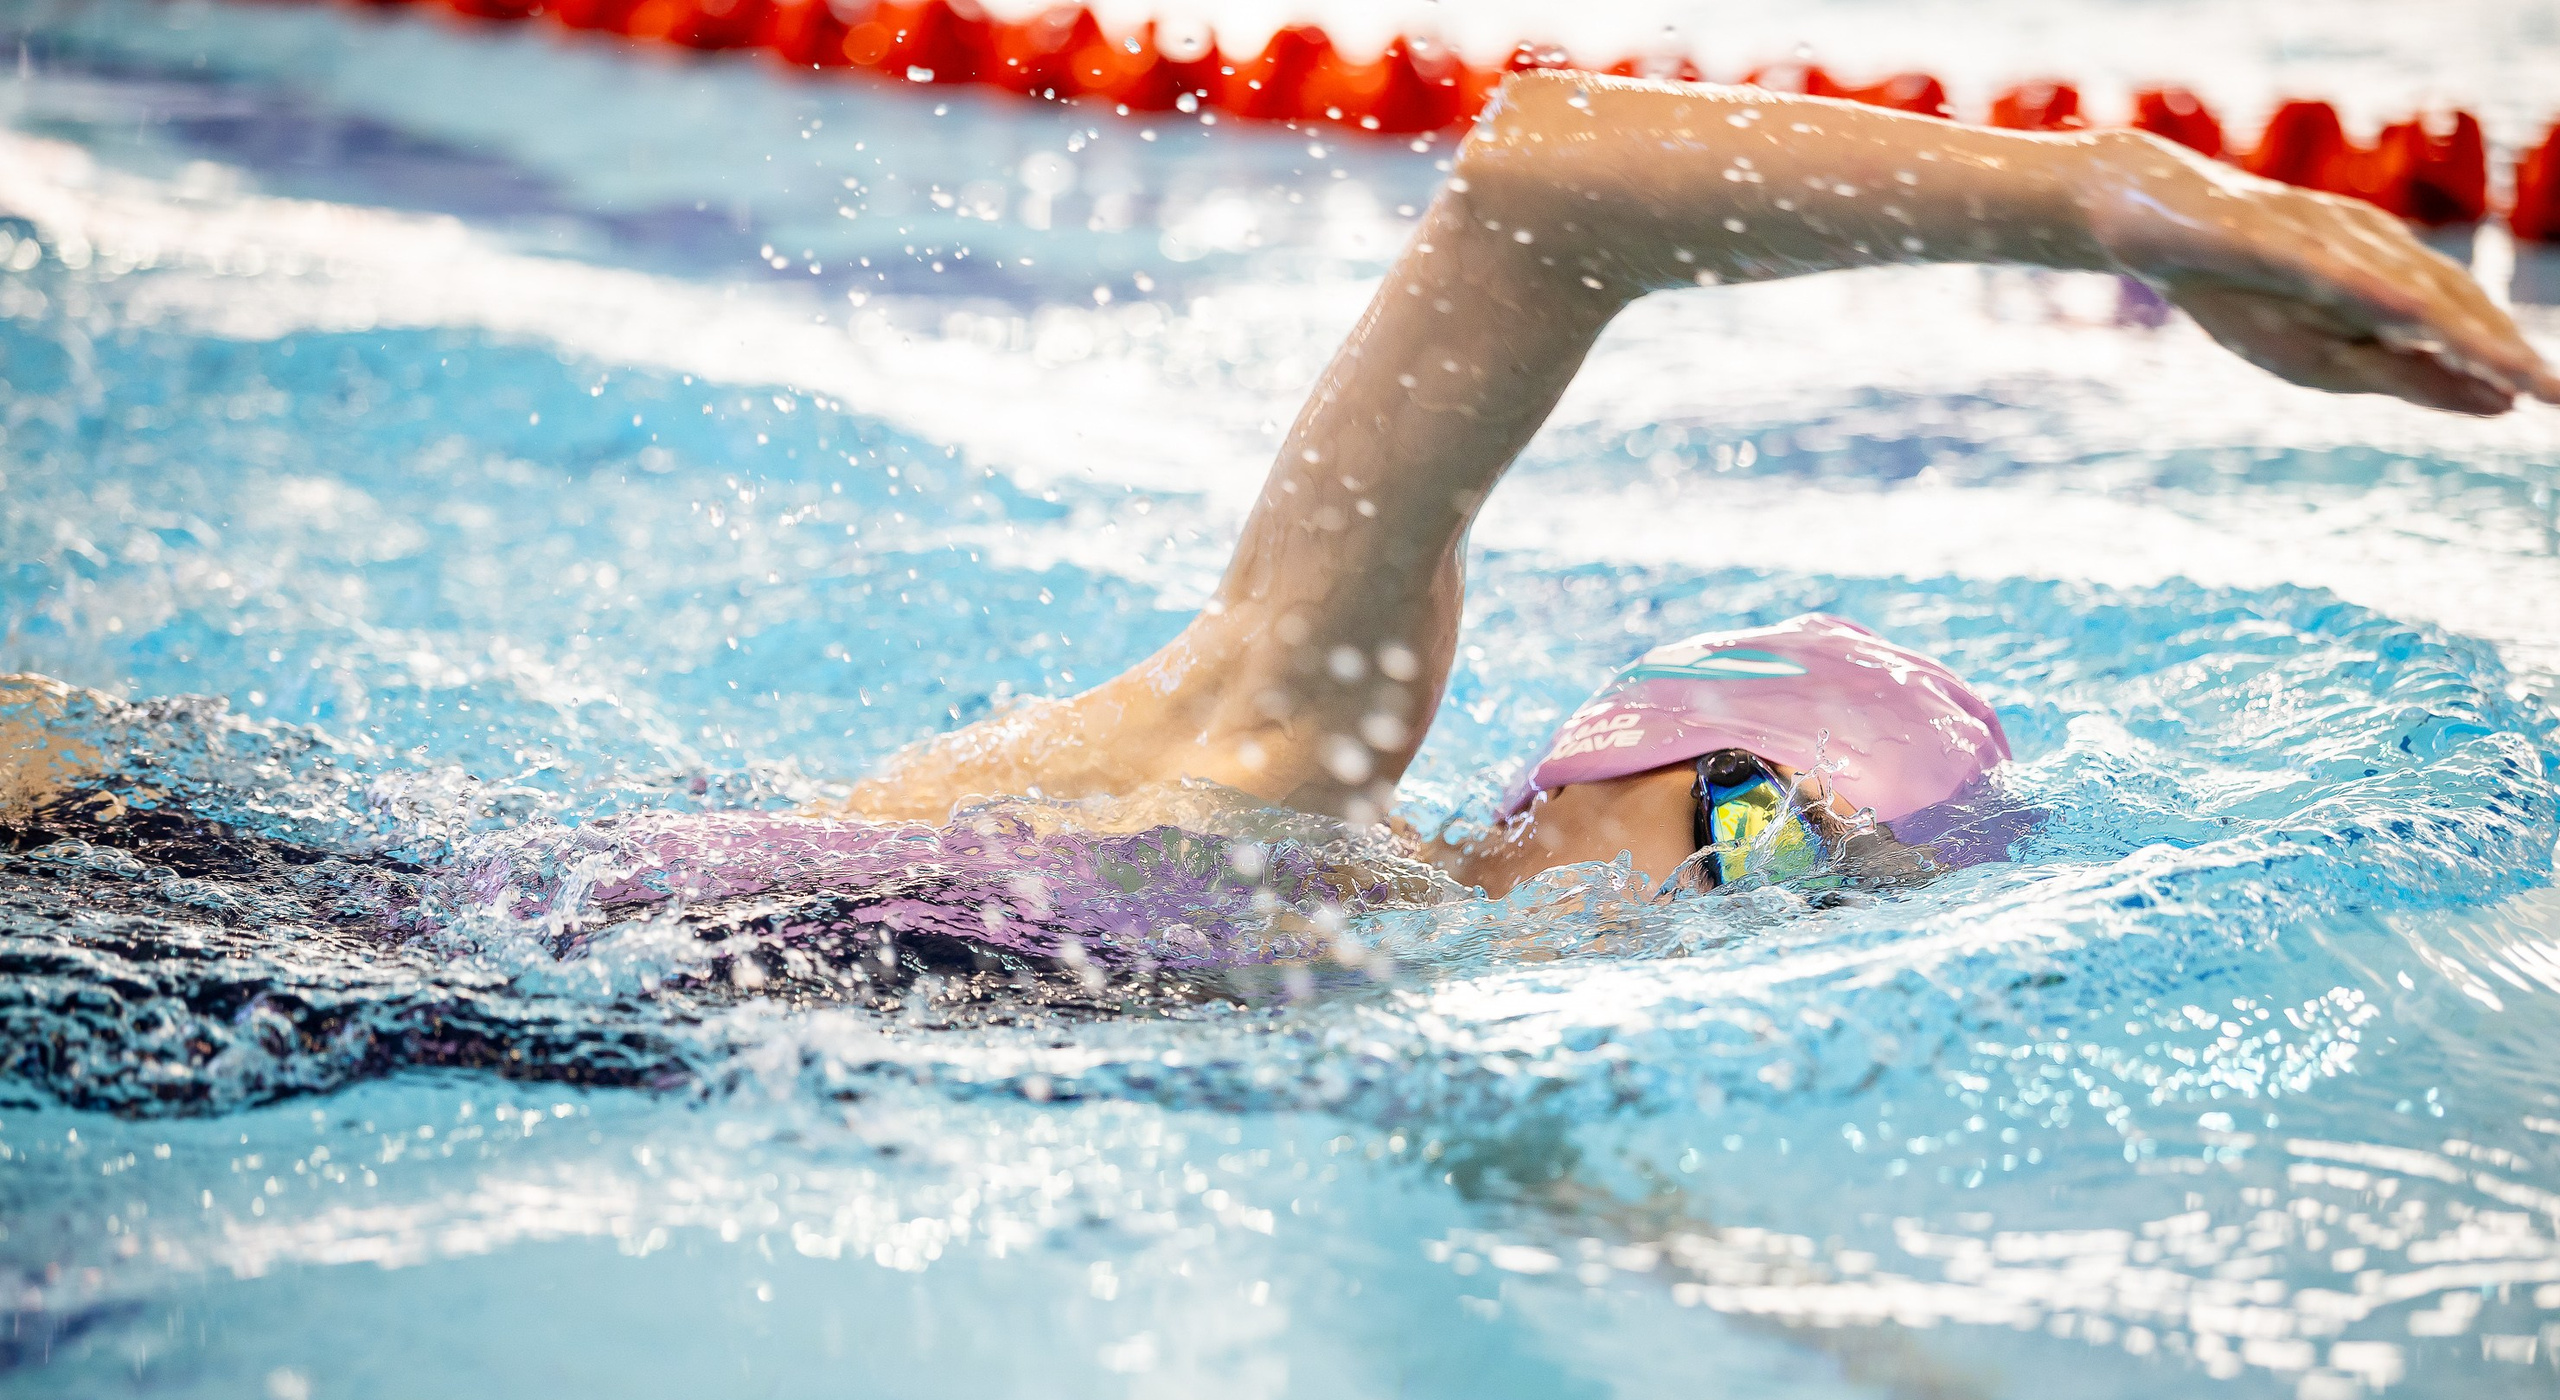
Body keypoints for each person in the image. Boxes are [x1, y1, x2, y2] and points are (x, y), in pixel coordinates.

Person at [821, 69, 2557, 895]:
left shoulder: (1394, 989)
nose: (1728, 929)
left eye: (1817, 901)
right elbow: (1538, 190)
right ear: (1598, 763)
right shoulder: (1293, 755)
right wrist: (2099, 198)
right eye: (1754, 831)